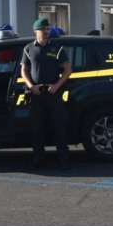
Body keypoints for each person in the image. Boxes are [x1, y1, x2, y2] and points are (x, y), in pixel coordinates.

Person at [20, 17, 73, 169]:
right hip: (36, 94)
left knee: (59, 127)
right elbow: (23, 70)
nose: (45, 32)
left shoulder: (57, 48)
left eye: (47, 29)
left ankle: (63, 159)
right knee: (37, 128)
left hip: (53, 93)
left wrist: (56, 86)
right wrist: (31, 86)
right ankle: (38, 158)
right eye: (43, 29)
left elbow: (68, 70)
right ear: (35, 31)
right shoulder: (28, 48)